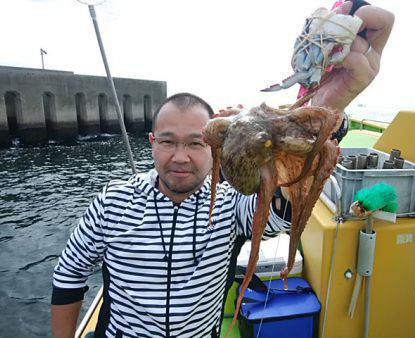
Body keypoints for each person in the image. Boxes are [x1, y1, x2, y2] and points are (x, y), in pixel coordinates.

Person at [51, 2, 394, 337]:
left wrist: (324, 108)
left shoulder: (230, 204)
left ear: (216, 147)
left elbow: (280, 211)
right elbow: (68, 274)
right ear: (152, 142)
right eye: (168, 142)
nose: (181, 157)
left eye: (196, 143)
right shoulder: (113, 201)